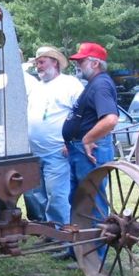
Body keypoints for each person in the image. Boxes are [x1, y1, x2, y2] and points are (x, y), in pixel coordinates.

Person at [62, 42, 119, 257]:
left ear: (95, 63)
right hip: (78, 150)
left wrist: (87, 138)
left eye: (81, 61)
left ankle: (95, 258)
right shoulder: (94, 83)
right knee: (78, 199)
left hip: (89, 151)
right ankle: (76, 250)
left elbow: (111, 119)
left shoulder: (101, 85)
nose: (77, 64)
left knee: (92, 202)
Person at [25, 46, 84, 229]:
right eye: (36, 63)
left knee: (57, 196)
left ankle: (63, 235)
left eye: (42, 62)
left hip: (58, 151)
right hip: (35, 152)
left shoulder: (70, 84)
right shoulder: (37, 87)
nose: (38, 67)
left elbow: (82, 114)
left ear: (55, 63)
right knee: (39, 195)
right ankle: (49, 231)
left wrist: (72, 141)